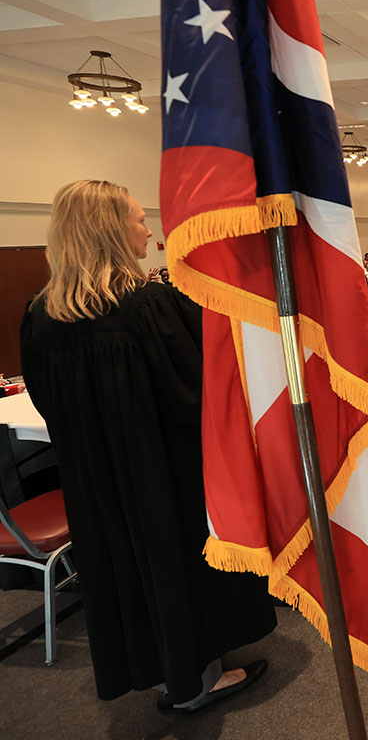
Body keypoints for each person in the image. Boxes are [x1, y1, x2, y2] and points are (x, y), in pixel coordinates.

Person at [20, 180, 275, 713]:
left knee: (124, 570)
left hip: (92, 480)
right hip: (162, 472)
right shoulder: (148, 309)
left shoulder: (40, 317)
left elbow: (46, 403)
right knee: (175, 568)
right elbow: (197, 394)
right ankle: (196, 683)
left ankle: (162, 674)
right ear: (111, 230)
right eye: (139, 219)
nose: (148, 229)